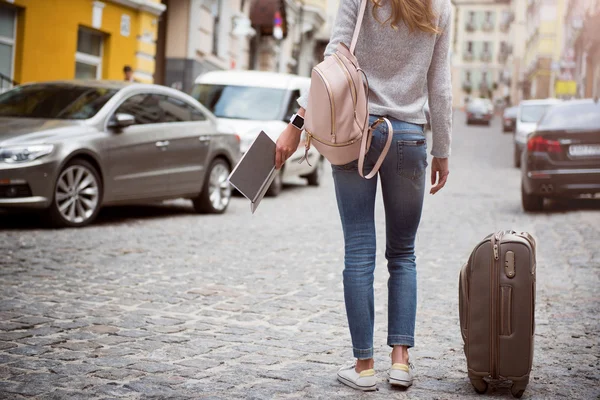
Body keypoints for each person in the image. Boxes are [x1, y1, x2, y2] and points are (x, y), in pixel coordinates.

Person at [275, 0, 452, 392]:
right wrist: (442, 151)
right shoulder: (442, 7)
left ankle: (365, 367)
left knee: (358, 249)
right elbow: (440, 86)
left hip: (356, 132)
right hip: (408, 138)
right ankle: (401, 362)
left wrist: (297, 124)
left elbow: (332, 64)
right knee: (403, 254)